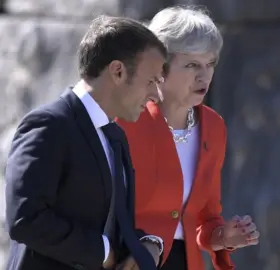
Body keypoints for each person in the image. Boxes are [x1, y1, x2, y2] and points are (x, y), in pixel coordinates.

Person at [5, 15, 168, 270]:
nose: (155, 96)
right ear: (118, 71)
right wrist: (102, 253)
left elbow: (112, 223)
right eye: (151, 81)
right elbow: (26, 219)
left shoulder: (115, 136)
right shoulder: (49, 125)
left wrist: (148, 245)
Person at [116, 6, 260, 270]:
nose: (203, 75)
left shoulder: (214, 127)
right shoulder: (125, 122)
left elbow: (204, 220)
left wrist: (223, 236)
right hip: (130, 260)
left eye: (210, 64)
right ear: (160, 67)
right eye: (192, 64)